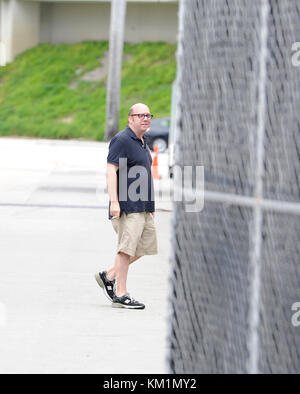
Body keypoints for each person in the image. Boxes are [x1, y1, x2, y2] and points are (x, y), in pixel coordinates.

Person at [95, 103, 158, 309]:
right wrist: (114, 201)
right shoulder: (122, 140)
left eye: (148, 115)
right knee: (126, 249)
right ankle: (121, 294)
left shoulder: (142, 141)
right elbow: (111, 170)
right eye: (141, 115)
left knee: (144, 247)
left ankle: (109, 275)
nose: (145, 118)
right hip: (127, 206)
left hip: (144, 206)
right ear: (130, 118)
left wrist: (150, 206)